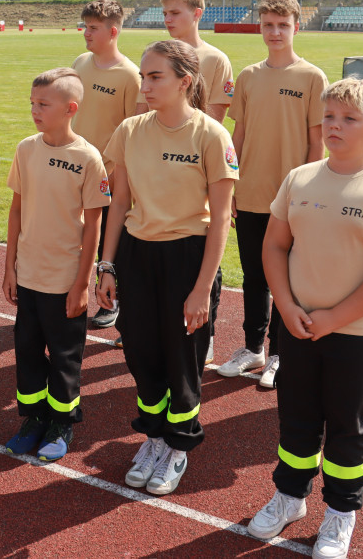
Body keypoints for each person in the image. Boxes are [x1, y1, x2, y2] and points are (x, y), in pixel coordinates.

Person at [248, 78, 363, 559]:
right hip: (298, 326)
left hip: (355, 335)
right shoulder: (299, 178)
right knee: (296, 420)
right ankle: (289, 497)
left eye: (349, 119)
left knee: (347, 427)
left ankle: (340, 515)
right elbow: (274, 246)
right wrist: (285, 307)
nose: (335, 126)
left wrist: (333, 317)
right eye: (329, 117)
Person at [96, 40, 236, 495]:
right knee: (140, 354)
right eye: (143, 75)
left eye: (155, 76)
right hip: (137, 256)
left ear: (185, 81)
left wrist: (201, 290)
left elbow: (219, 223)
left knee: (182, 360)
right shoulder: (130, 130)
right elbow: (118, 204)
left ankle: (178, 445)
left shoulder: (211, 136)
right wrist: (107, 266)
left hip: (188, 258)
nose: (145, 84)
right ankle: (154, 436)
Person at [218, 0, 327, 389]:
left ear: (297, 26)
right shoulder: (248, 76)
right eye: (268, 24)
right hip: (250, 193)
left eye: (283, 25)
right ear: (260, 27)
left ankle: (279, 353)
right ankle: (252, 349)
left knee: (288, 278)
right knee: (253, 277)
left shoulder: (313, 77)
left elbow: (318, 144)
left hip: (293, 200)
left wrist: (312, 192)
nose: (275, 31)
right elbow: (239, 135)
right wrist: (230, 183)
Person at [2, 68, 109, 461]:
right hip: (28, 274)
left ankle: (62, 422)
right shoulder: (27, 148)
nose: (35, 110)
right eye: (32, 103)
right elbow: (16, 210)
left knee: (65, 357)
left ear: (70, 109)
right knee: (27, 351)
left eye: (43, 104)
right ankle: (33, 418)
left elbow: (94, 223)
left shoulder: (87, 157)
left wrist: (83, 283)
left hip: (65, 280)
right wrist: (9, 266)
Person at [160, 0, 235, 364]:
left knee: (204, 250)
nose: (168, 19)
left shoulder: (215, 60)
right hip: (160, 172)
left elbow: (215, 123)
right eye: (165, 13)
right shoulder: (158, 56)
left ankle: (203, 334)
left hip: (198, 171)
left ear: (197, 13)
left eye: (175, 13)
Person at [71, 0, 146, 335]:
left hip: (110, 171)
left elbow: (134, 129)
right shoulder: (80, 63)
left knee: (107, 239)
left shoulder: (130, 74)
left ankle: (110, 301)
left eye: (93, 28)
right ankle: (73, 291)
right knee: (75, 233)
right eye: (85, 26)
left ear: (113, 31)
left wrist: (117, 174)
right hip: (75, 167)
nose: (86, 33)